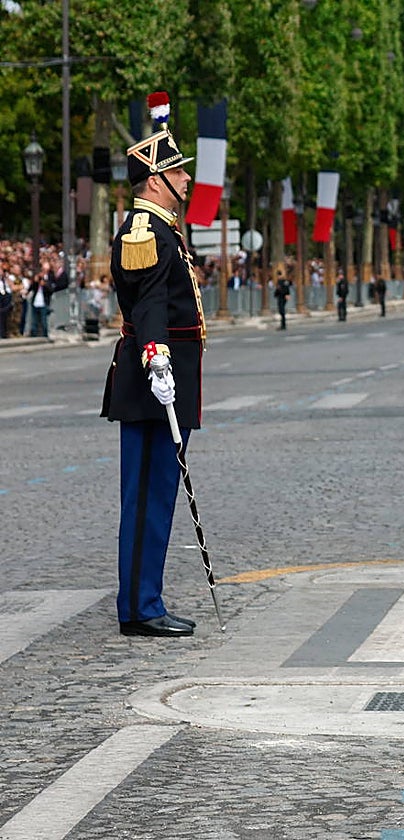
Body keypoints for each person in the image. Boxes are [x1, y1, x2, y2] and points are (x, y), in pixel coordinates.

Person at [100, 92, 205, 638]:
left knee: (157, 495)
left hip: (162, 380)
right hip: (152, 383)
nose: (187, 181)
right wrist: (157, 357)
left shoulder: (165, 229)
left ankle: (144, 598)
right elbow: (148, 304)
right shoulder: (146, 232)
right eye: (179, 173)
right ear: (157, 179)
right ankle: (141, 607)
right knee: (147, 497)